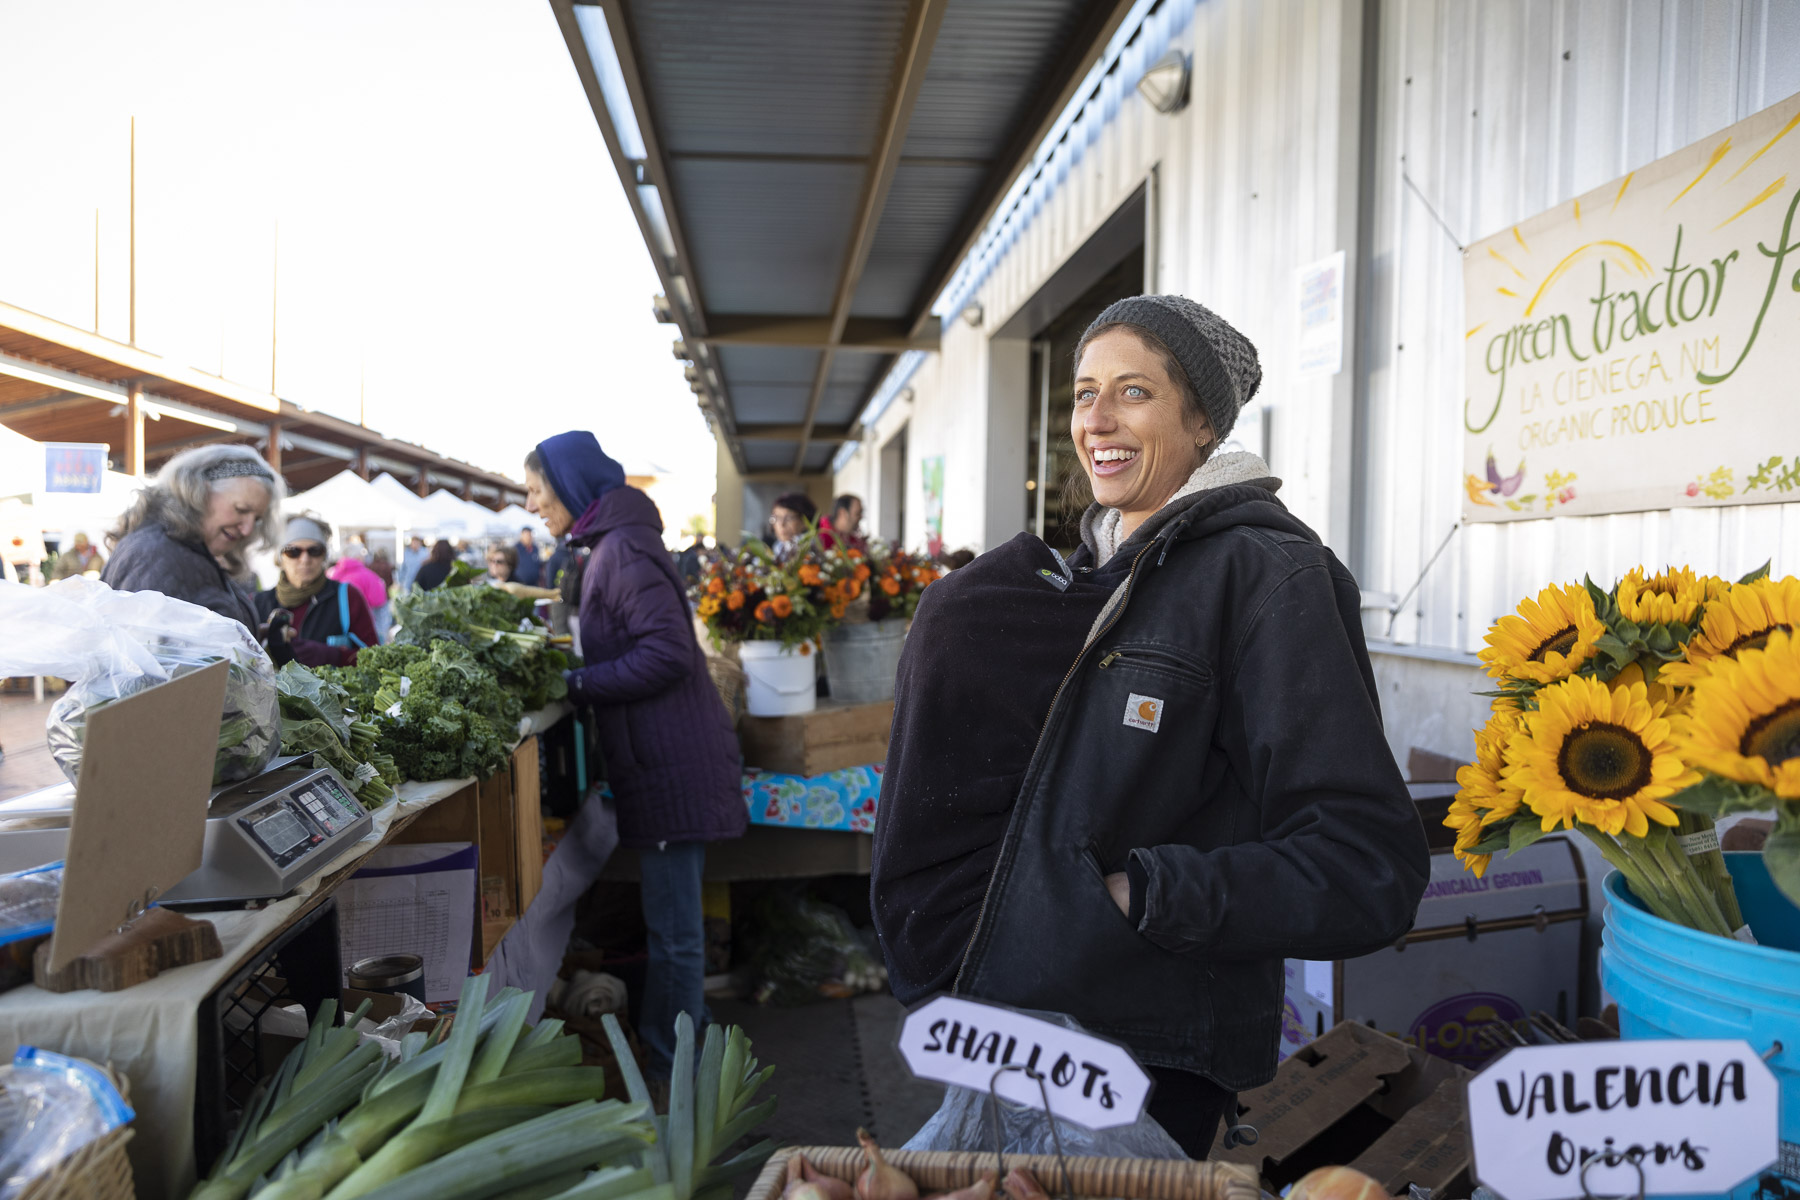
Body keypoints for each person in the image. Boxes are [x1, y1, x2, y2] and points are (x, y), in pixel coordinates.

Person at [870, 294, 1429, 1158]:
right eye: (1084, 392)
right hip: (1010, 1027)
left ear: (1203, 423)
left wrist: (1142, 895)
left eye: (1134, 392)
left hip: (1148, 1048)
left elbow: (1366, 866)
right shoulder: (1088, 579)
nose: (1096, 418)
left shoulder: (1268, 576)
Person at [488, 430, 744, 1081]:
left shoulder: (622, 550)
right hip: (659, 759)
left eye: (537, 491)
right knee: (672, 927)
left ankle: (673, 1067)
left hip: (671, 762)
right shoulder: (609, 548)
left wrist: (573, 682)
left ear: (571, 487)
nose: (532, 504)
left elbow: (666, 654)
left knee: (676, 933)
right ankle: (688, 1053)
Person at [102, 444, 283, 630]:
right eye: (241, 509)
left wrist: (250, 641)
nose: (247, 529)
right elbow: (140, 648)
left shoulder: (185, 550)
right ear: (198, 492)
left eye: (257, 519)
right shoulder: (155, 553)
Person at [254, 515, 378, 667]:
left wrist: (333, 656)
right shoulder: (258, 603)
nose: (305, 559)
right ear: (280, 558)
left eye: (314, 551)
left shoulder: (347, 597)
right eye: (293, 552)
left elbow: (376, 658)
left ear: (324, 556)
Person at [330, 540, 394, 644]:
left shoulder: (331, 573)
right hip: (363, 628)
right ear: (359, 557)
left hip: (334, 631)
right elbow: (379, 603)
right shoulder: (369, 576)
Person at [769, 491, 830, 556]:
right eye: (777, 518)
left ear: (805, 521)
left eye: (789, 518)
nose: (782, 524)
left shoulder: (811, 550)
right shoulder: (777, 547)